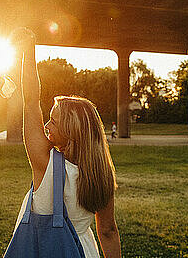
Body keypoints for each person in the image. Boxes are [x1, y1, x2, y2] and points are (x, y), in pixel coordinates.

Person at [8, 28, 121, 258]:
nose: (46, 126)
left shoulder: (45, 164)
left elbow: (30, 100)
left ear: (71, 132)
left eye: (53, 121)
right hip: (83, 251)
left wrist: (28, 50)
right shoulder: (102, 173)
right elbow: (108, 231)